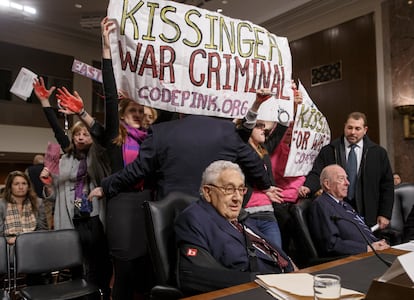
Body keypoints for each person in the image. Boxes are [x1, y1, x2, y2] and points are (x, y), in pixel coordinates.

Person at [33, 79, 113, 299]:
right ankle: (78, 295)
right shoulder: (66, 157)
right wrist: (44, 102)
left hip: (93, 216)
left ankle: (101, 294)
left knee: (99, 262)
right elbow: (59, 134)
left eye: (85, 134)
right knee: (75, 260)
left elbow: (102, 136)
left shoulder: (99, 155)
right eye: (77, 134)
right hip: (72, 216)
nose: (80, 137)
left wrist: (81, 113)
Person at [175, 160, 294, 294]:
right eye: (229, 189)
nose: (237, 198)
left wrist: (291, 268)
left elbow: (270, 250)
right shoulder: (194, 218)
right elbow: (192, 274)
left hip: (287, 284)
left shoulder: (240, 218)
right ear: (208, 192)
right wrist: (260, 281)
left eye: (240, 189)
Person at [298, 112, 394, 229]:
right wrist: (308, 186)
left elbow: (387, 186)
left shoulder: (378, 153)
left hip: (369, 213)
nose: (353, 132)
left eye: (357, 128)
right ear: (344, 127)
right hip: (338, 211)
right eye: (349, 128)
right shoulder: (329, 150)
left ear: (365, 130)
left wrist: (385, 214)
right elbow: (317, 173)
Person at [308, 164, 390, 256]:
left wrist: (378, 243)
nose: (347, 183)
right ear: (327, 184)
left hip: (375, 251)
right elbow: (331, 244)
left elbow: (360, 231)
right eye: (341, 179)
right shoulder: (321, 205)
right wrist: (368, 248)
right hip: (356, 259)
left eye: (346, 178)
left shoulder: (345, 205)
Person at [0, 170, 48, 245]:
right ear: (10, 187)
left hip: (33, 244)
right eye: (16, 184)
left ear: (28, 186)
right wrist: (9, 240)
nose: (21, 187)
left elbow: (43, 230)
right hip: (8, 246)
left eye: (24, 183)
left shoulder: (38, 203)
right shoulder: (1, 204)